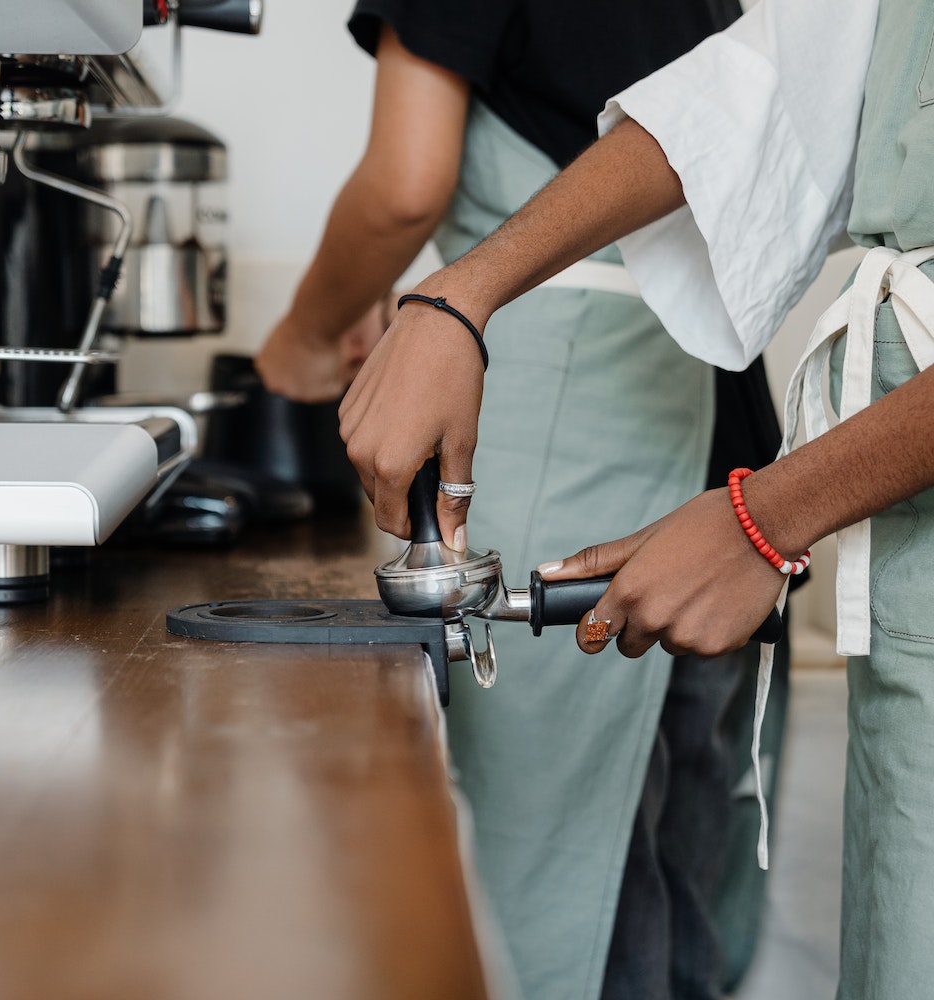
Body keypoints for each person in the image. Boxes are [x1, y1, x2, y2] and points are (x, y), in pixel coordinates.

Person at [338, 0, 934, 995]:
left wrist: (767, 517)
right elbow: (752, 94)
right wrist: (458, 294)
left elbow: (402, 182)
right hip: (818, 485)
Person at [257, 4, 787, 998]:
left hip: (570, 416)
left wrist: (300, 340)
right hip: (723, 441)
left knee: (565, 886)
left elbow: (402, 188)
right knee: (673, 881)